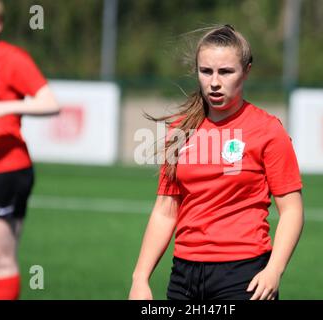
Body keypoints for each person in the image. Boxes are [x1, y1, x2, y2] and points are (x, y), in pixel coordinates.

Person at [129, 25, 304, 300]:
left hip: (243, 276)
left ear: (246, 71)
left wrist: (274, 270)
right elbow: (165, 210)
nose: (214, 82)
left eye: (225, 72)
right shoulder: (179, 131)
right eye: (206, 71)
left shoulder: (268, 130)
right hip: (184, 278)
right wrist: (140, 278)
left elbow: (292, 210)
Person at [0, 0, 59, 300]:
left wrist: (5, 106)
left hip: (6, 172)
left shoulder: (12, 59)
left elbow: (51, 103)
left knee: (0, 257)